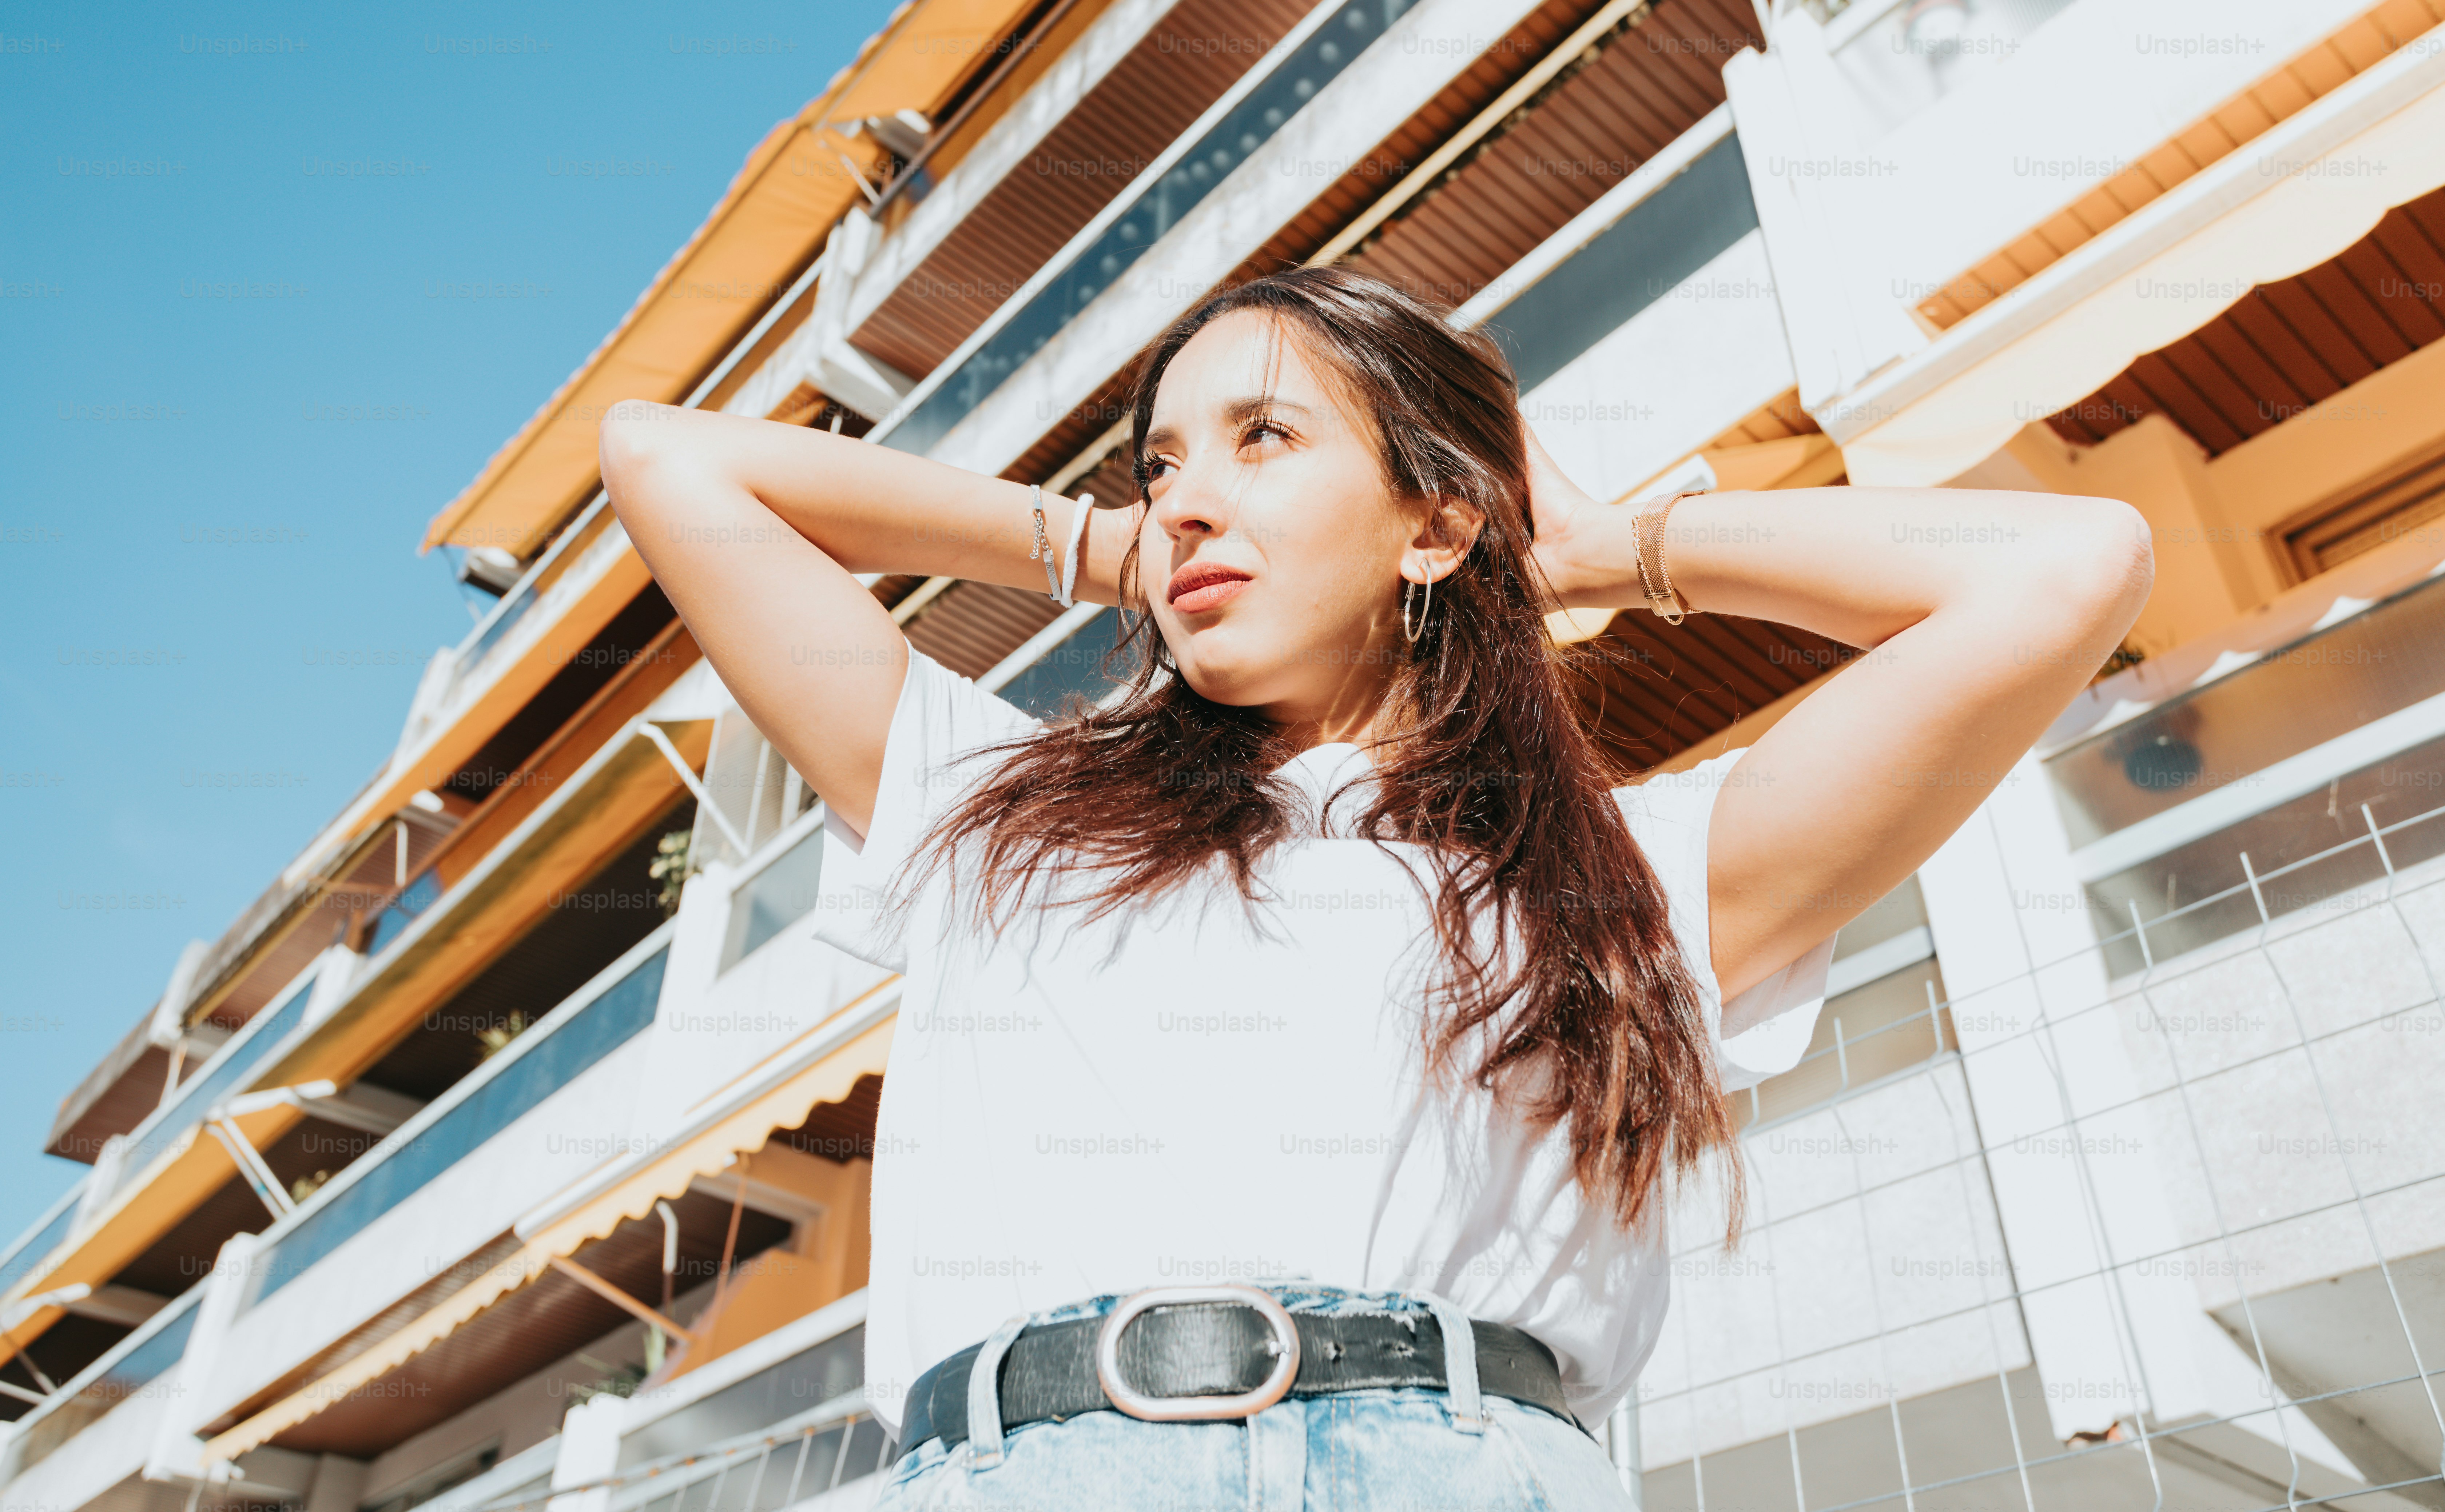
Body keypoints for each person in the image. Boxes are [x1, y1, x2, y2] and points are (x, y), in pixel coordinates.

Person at [600, 266, 2150, 1507]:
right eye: (1161, 463)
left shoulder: (1627, 875)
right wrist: (1100, 543)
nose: (1186, 495)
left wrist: (1605, 547)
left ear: (1437, 520)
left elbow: (2066, 567)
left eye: (1265, 439)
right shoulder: (994, 807)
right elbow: (671, 459)